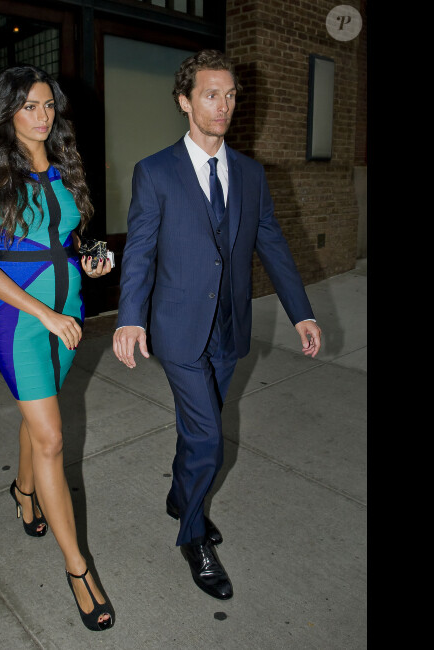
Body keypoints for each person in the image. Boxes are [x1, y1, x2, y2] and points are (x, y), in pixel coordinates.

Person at [113, 50, 322, 601]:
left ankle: (182, 495)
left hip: (229, 328)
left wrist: (302, 310)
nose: (224, 105)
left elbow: (272, 243)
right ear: (185, 102)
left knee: (196, 431)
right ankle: (193, 535)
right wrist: (130, 318)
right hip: (178, 329)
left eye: (230, 95)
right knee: (209, 437)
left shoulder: (251, 174)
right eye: (211, 94)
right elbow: (139, 250)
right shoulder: (155, 171)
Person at [0, 64, 114, 631]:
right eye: (30, 105)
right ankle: (78, 569)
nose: (43, 115)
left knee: (42, 409)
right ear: (8, 112)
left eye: (49, 105)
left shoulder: (66, 169)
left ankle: (23, 490)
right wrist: (46, 315)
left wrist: (90, 260)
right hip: (24, 320)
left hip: (69, 313)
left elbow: (68, 241)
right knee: (51, 436)